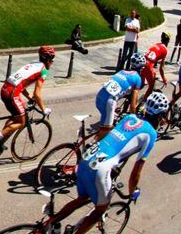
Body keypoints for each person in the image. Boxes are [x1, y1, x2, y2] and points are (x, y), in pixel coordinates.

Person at [41, 92, 168, 234]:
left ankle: (48, 224)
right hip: (100, 168)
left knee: (82, 199)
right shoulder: (151, 134)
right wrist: (132, 192)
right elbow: (135, 173)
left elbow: (113, 142)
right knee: (100, 210)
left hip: (87, 158)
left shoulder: (130, 117)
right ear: (161, 116)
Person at [0, 46, 55, 155]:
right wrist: (44, 109)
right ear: (48, 59)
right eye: (52, 60)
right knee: (22, 121)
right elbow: (37, 93)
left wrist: (29, 98)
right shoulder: (43, 71)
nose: (52, 63)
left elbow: (22, 83)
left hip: (5, 89)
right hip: (12, 93)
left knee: (16, 117)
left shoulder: (33, 64)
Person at [94, 52, 146, 140]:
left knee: (103, 127)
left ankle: (93, 143)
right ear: (142, 68)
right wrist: (134, 118)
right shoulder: (137, 78)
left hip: (100, 95)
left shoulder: (121, 71)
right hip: (109, 101)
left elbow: (116, 89)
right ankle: (94, 149)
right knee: (107, 131)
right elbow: (133, 104)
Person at [141, 32, 170, 97]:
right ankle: (144, 103)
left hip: (142, 63)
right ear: (168, 41)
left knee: (140, 85)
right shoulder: (165, 50)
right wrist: (164, 79)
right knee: (151, 86)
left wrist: (153, 71)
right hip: (148, 66)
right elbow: (161, 69)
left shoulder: (157, 44)